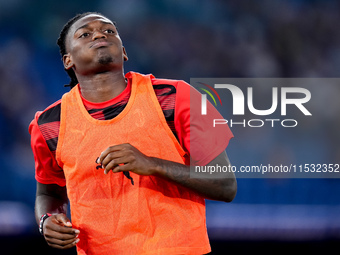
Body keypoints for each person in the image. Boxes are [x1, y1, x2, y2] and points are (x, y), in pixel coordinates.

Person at [29, 12, 236, 255]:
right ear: (67, 61)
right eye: (85, 34)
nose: (99, 34)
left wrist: (152, 164)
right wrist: (47, 220)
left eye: (109, 31)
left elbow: (225, 185)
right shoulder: (48, 124)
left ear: (124, 52)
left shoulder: (178, 97)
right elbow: (49, 192)